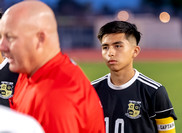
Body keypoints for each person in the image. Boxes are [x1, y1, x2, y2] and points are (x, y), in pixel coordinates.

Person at [0, 1, 105, 133]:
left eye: (10, 38)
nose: (2, 47)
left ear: (40, 39)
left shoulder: (57, 97)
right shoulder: (29, 73)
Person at [92, 21, 177, 133]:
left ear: (135, 51)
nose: (110, 52)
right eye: (105, 47)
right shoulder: (91, 91)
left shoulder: (154, 92)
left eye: (118, 46)